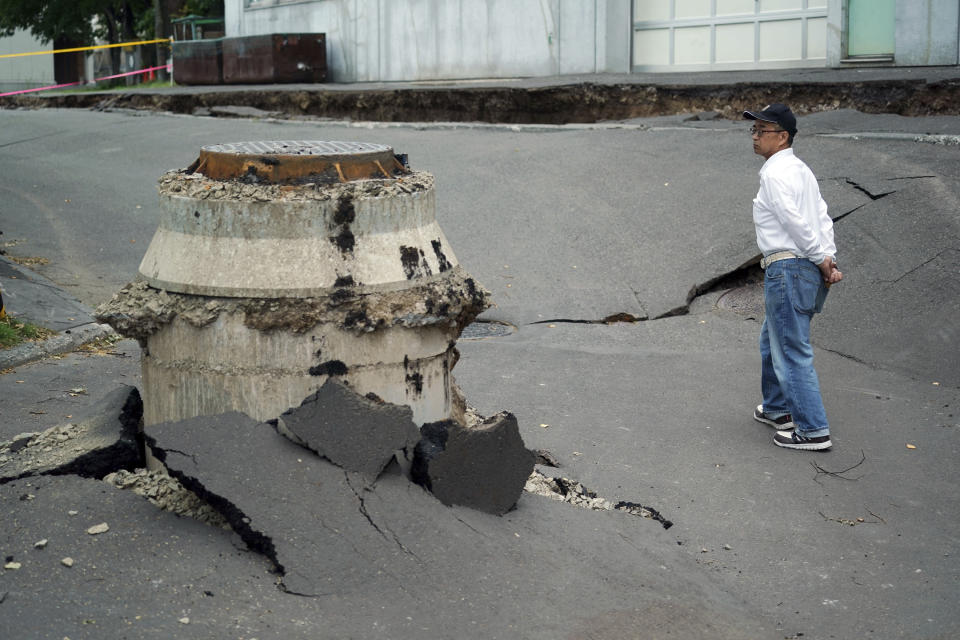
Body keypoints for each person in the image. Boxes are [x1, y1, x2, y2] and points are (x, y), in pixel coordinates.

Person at [745, 103, 842, 451]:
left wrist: (820, 259)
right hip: (803, 266)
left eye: (762, 131)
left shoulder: (774, 174)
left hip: (788, 267)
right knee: (772, 340)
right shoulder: (800, 170)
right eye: (753, 131)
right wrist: (828, 259)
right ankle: (776, 408)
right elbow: (822, 217)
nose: (755, 137)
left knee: (790, 349)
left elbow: (794, 221)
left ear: (783, 136)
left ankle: (813, 430)